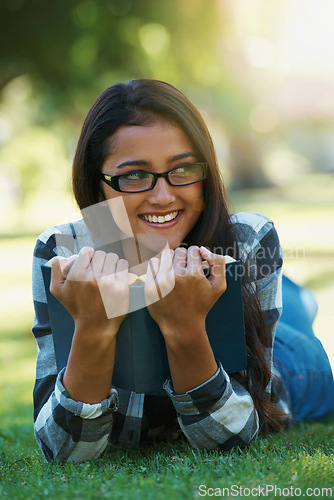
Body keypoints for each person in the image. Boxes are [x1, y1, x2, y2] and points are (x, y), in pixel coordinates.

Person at [32, 79, 334, 463]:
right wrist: (93, 328)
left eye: (183, 168)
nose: (163, 196)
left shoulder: (247, 238)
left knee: (296, 318)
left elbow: (232, 436)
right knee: (292, 301)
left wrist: (184, 328)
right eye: (135, 175)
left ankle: (296, 299)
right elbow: (63, 450)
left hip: (293, 367)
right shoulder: (61, 253)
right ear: (98, 184)